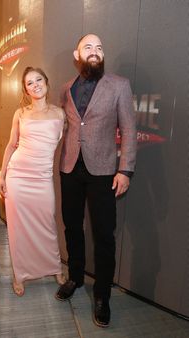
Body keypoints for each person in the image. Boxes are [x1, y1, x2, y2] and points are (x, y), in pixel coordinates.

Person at [55, 34, 137, 328]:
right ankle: (75, 277)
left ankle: (102, 295)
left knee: (104, 235)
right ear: (77, 55)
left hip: (103, 172)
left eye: (100, 47)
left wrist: (125, 170)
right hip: (69, 168)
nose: (95, 51)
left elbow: (128, 128)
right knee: (72, 227)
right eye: (88, 47)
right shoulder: (66, 88)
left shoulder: (119, 85)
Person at [0, 66, 66, 297]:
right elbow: (11, 145)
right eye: (29, 83)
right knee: (18, 229)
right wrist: (2, 175)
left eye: (38, 80)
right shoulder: (21, 113)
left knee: (47, 223)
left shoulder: (60, 113)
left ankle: (54, 267)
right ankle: (20, 274)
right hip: (18, 175)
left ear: (47, 82)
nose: (35, 84)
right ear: (25, 90)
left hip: (42, 177)